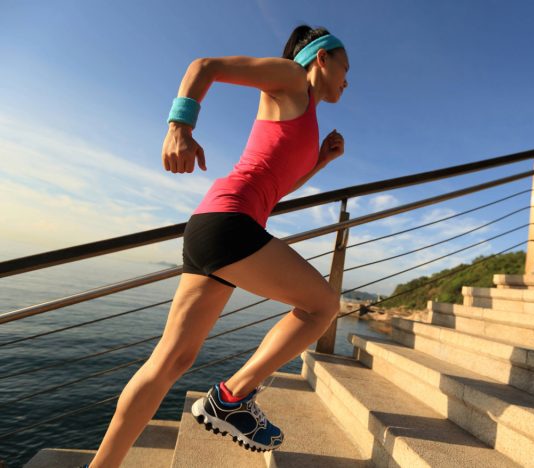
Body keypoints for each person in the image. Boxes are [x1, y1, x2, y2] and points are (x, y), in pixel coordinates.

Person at [86, 24, 349, 467]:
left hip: (217, 226)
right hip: (230, 223)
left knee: (170, 362)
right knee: (322, 306)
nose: (347, 79)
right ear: (322, 58)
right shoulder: (289, 79)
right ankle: (231, 398)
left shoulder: (305, 116)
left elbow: (276, 188)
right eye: (346, 66)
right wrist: (179, 126)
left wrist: (320, 161)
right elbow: (203, 67)